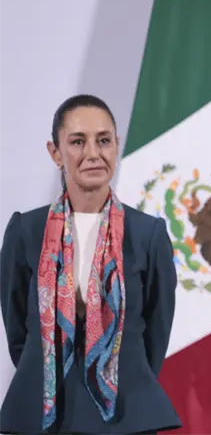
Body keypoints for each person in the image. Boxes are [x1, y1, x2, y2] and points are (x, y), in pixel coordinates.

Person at [0, 94, 182, 434]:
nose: (93, 154)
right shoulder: (25, 231)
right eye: (78, 142)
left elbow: (156, 332)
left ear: (116, 146)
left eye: (103, 141)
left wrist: (121, 374)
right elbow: (18, 332)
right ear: (55, 153)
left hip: (128, 416)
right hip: (41, 417)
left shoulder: (149, 234)